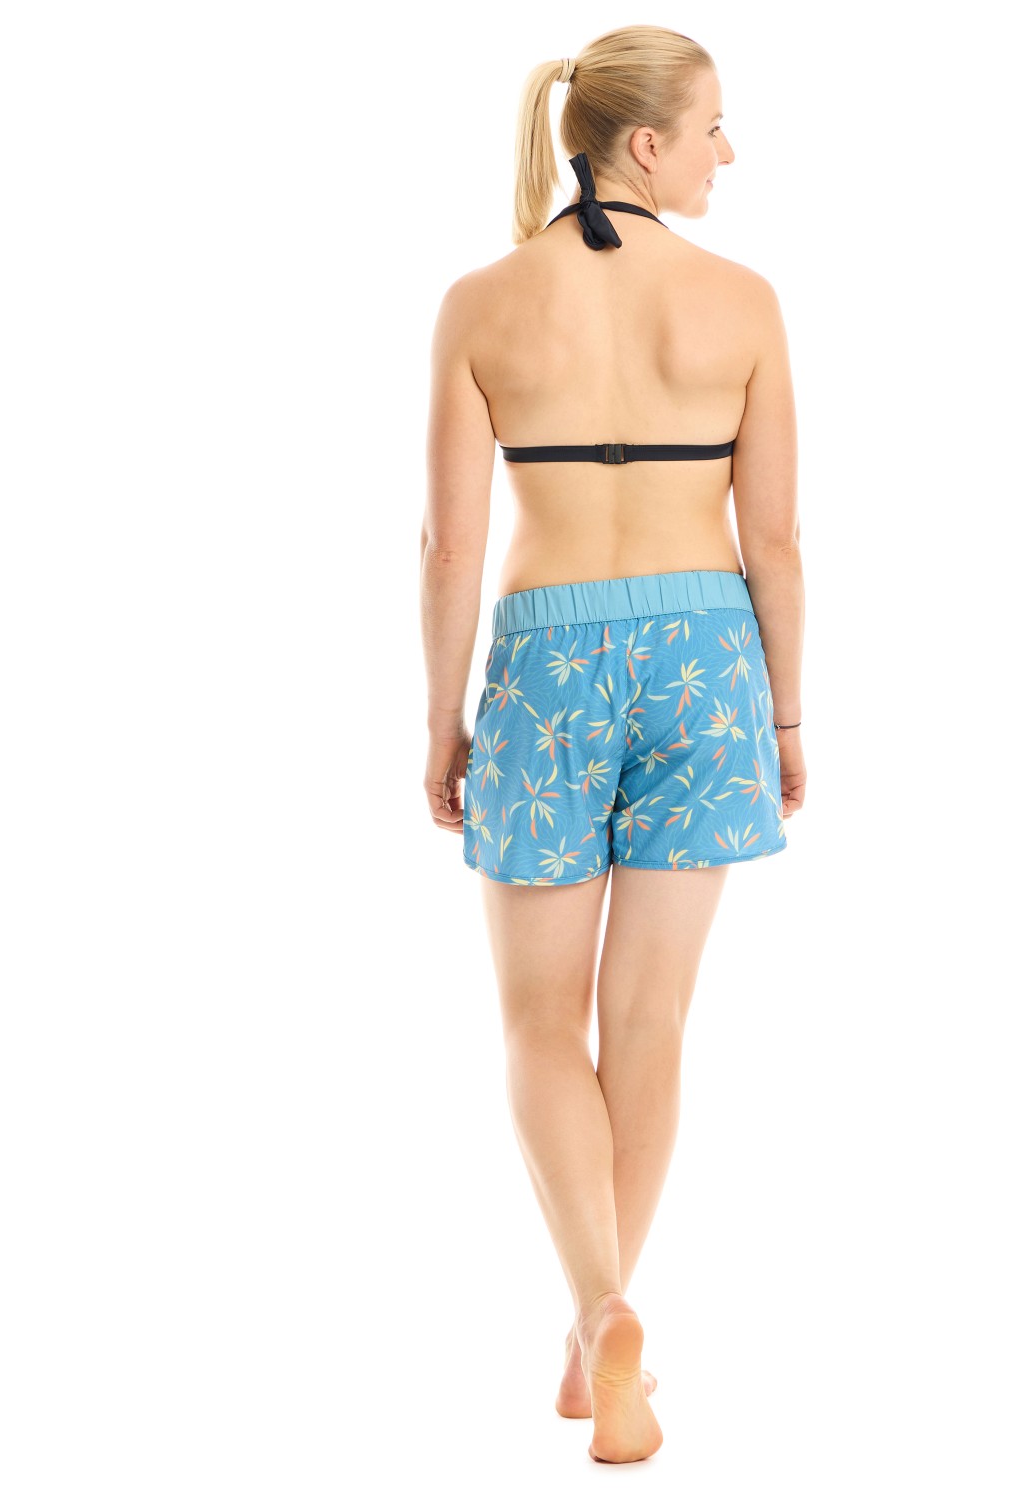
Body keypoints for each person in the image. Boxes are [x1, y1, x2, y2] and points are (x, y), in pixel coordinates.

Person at [418, 24, 806, 1464]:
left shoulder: (481, 303)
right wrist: (785, 714)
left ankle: (598, 1311)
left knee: (538, 1020)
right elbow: (776, 539)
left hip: (544, 662)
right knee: (649, 1021)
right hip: (709, 656)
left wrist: (442, 717)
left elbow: (451, 546)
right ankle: (603, 1328)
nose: (727, 152)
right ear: (646, 145)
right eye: (712, 128)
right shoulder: (743, 303)